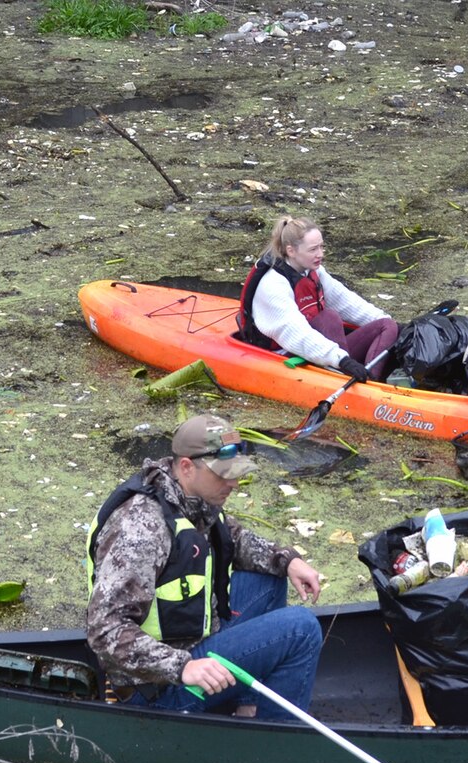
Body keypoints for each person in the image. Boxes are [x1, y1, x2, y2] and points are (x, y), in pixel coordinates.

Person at [86, 414, 324, 719]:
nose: (234, 483)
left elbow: (231, 539)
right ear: (186, 466)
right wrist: (183, 666)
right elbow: (105, 630)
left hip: (193, 643)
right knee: (302, 629)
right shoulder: (141, 529)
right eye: (223, 475)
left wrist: (287, 560)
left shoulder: (191, 496)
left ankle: (248, 707)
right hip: (159, 685)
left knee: (271, 579)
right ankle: (274, 745)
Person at [237, 216, 399, 381]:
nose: (320, 254)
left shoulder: (313, 271)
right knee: (329, 318)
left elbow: (346, 301)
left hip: (322, 349)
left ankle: (372, 382)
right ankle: (354, 382)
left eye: (322, 247)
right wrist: (341, 360)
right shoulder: (273, 284)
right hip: (288, 351)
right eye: (313, 249)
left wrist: (396, 325)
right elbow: (296, 333)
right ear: (291, 250)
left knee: (387, 325)